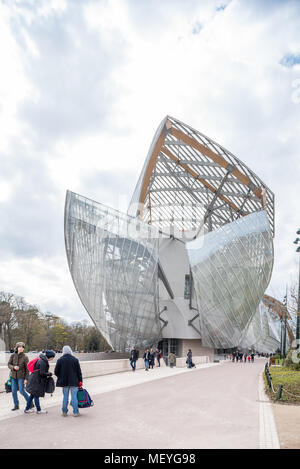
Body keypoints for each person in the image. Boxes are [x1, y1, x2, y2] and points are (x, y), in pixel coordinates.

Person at [54, 345, 83, 417]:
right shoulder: (75, 360)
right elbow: (79, 372)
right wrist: (80, 381)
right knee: (74, 397)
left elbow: (56, 371)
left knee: (65, 397)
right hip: (74, 381)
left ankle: (64, 412)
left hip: (64, 382)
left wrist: (60, 377)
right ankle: (76, 412)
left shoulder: (60, 360)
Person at [25, 349, 55, 414]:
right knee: (36, 395)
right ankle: (39, 410)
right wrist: (49, 374)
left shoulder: (40, 359)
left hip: (34, 379)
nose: (52, 359)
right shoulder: (43, 362)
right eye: (52, 357)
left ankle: (27, 409)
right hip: (37, 381)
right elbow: (42, 373)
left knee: (32, 395)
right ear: (50, 356)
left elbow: (40, 371)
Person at [7, 342, 31, 411]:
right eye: (19, 347)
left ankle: (30, 403)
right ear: (17, 348)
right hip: (13, 377)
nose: (21, 348)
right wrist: (13, 367)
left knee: (21, 391)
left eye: (22, 347)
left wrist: (26, 379)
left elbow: (28, 369)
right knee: (13, 391)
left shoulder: (25, 357)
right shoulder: (13, 355)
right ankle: (16, 405)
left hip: (21, 377)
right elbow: (8, 364)